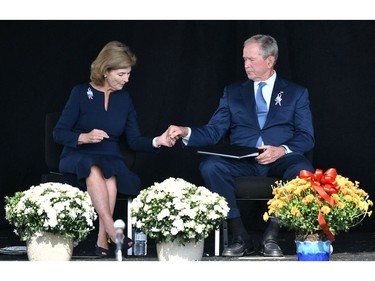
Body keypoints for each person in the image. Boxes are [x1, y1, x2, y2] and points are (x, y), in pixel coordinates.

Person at [167, 34, 315, 257]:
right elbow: (214, 130)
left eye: (251, 60)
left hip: (281, 159)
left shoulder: (296, 92)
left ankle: (271, 235)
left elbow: (306, 137)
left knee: (303, 169)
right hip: (243, 160)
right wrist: (185, 132)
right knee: (211, 166)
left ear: (270, 60)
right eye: (244, 59)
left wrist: (280, 150)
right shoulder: (233, 93)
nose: (245, 65)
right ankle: (239, 235)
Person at [53, 41, 174, 257]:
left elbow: (135, 140)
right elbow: (59, 133)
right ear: (106, 71)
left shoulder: (124, 99)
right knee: (94, 167)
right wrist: (84, 137)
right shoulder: (81, 93)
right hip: (79, 155)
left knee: (109, 172)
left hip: (109, 156)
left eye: (128, 74)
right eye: (121, 74)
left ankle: (102, 240)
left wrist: (158, 141)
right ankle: (113, 231)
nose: (127, 79)